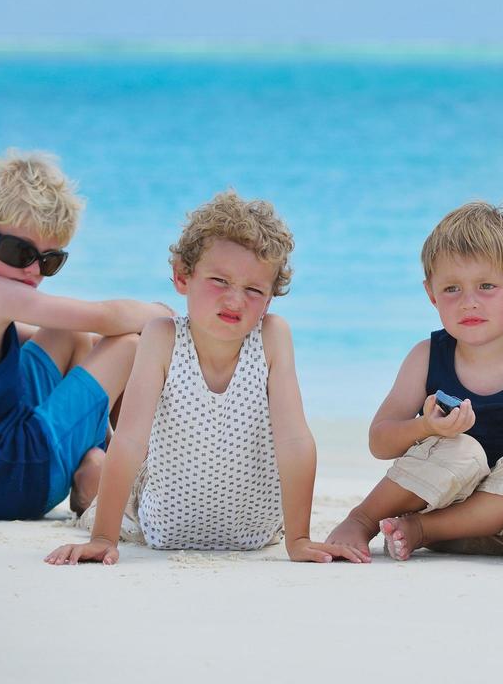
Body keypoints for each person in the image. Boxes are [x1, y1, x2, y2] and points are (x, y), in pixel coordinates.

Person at [47, 190, 367, 565]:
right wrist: (104, 537)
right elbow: (132, 440)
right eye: (220, 281)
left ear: (269, 299)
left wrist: (298, 539)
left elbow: (294, 439)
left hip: (256, 531)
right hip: (161, 525)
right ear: (183, 276)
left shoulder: (272, 338)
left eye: (253, 290)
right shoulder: (161, 337)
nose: (235, 300)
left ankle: (92, 462)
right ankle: (89, 466)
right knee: (94, 490)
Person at [0, 149, 171, 520]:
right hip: (15, 480)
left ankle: (99, 457)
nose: (34, 271)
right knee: (128, 346)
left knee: (69, 336)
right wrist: (166, 316)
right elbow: (104, 316)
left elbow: (57, 335)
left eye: (49, 260)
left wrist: (94, 359)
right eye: (19, 251)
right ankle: (108, 473)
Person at [325, 201, 503, 560]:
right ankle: (362, 519)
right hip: (433, 500)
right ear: (431, 294)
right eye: (452, 289)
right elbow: (379, 441)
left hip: (502, 526)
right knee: (464, 450)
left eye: (486, 286)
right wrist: (427, 429)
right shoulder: (426, 356)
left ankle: (420, 531)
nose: (468, 302)